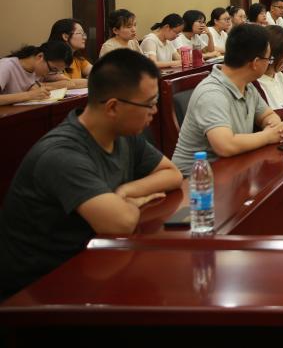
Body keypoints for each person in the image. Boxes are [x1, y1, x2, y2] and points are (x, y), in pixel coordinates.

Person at [0, 49, 183, 298]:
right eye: (149, 104)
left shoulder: (123, 133)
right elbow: (120, 223)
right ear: (113, 107)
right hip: (43, 289)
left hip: (97, 261)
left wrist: (125, 192)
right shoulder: (61, 154)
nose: (154, 111)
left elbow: (171, 174)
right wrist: (132, 202)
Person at [171, 24, 283, 175]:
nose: (269, 63)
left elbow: (268, 115)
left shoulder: (247, 85)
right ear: (255, 63)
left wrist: (273, 126)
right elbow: (225, 146)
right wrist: (267, 136)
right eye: (269, 59)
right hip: (196, 180)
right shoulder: (212, 93)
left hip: (232, 169)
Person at [0, 41, 74, 105]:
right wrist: (29, 95)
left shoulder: (36, 70)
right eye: (52, 69)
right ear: (40, 56)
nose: (50, 73)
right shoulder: (6, 65)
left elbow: (68, 81)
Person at [48, 18, 91, 87]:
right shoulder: (52, 59)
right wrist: (92, 80)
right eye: (80, 33)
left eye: (84, 34)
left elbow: (97, 72)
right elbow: (66, 83)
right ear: (65, 36)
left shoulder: (77, 58)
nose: (84, 37)